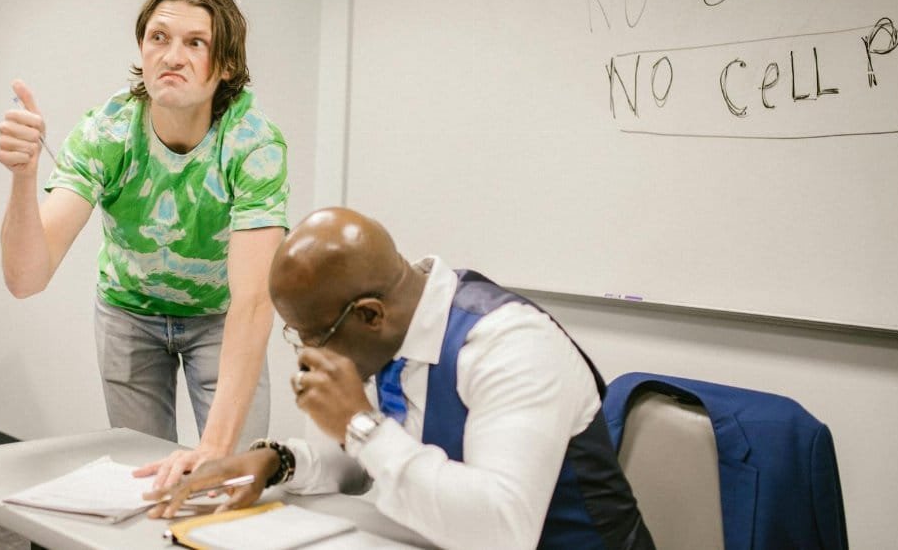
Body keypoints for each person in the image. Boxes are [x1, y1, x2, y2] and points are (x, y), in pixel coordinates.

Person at [147, 207, 654, 550]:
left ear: (369, 314)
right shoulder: (393, 334)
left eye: (314, 336)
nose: (309, 354)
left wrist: (360, 424)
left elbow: (502, 531)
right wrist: (278, 461)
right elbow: (366, 462)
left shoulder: (512, 348)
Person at [0, 0, 288, 488]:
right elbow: (26, 279)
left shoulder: (252, 143)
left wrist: (215, 451)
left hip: (220, 317)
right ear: (142, 48)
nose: (172, 56)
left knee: (234, 476)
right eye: (159, 38)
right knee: (143, 477)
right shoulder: (106, 133)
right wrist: (23, 178)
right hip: (129, 312)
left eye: (195, 43)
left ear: (226, 65)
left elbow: (253, 303)